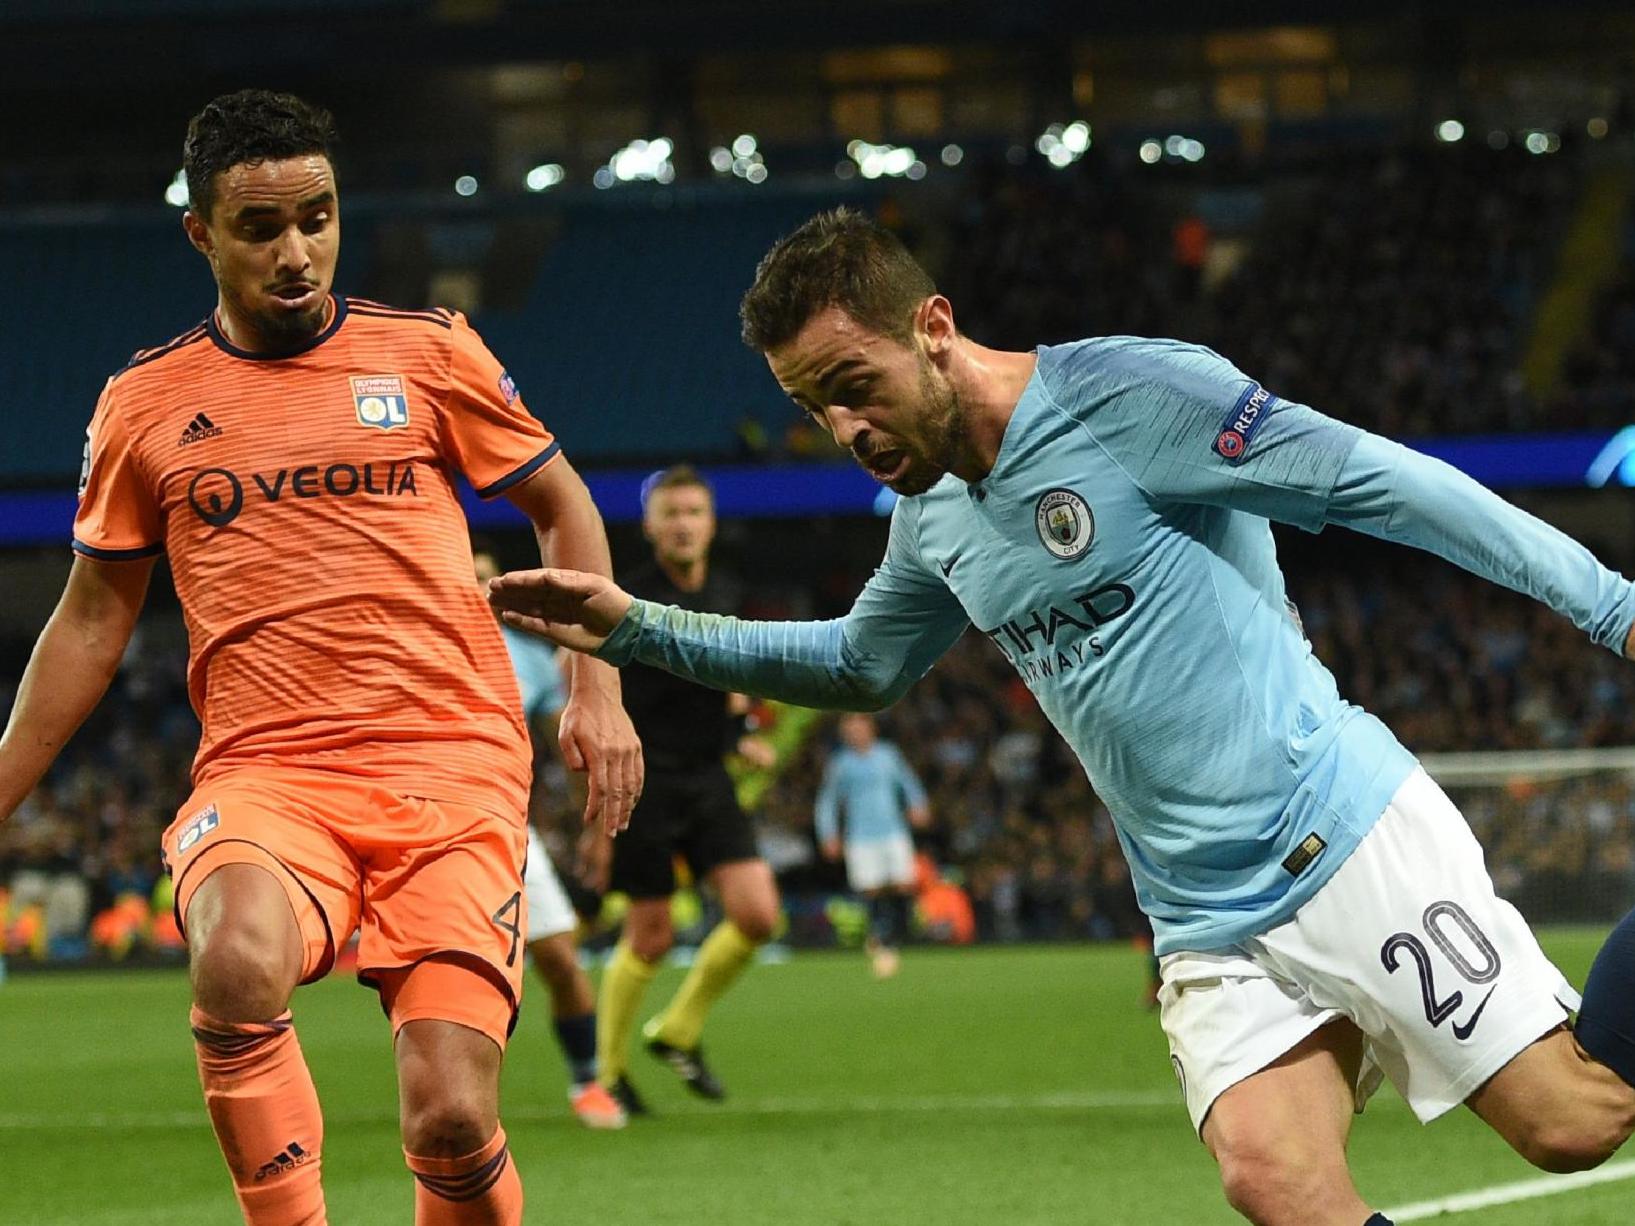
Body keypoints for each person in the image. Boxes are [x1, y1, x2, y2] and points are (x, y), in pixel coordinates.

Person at [489, 206, 1635, 1226]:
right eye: (812, 407)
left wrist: (1616, 609)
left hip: (1335, 832)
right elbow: (858, 664)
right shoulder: (929, 516)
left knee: (1573, 1121)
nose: (846, 429)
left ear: (933, 324)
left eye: (854, 384)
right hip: (1199, 910)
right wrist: (637, 624)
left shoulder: (1128, 396)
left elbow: (1386, 484)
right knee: (1274, 1178)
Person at [0, 91, 642, 1226]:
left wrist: (598, 689)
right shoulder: (143, 406)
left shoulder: (431, 353)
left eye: (319, 217)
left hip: (452, 770)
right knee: (236, 959)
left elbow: (566, 507)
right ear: (201, 233)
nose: (297, 253)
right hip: (269, 773)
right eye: (261, 228)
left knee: (450, 1118)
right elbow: (93, 619)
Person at [582, 464, 780, 1116]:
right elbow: (592, 682)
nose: (683, 524)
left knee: (756, 914)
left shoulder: (725, 589)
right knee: (650, 934)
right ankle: (607, 1076)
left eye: (693, 511)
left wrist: (742, 731)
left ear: (711, 522)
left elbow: (723, 682)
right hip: (646, 780)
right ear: (650, 525)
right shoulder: (627, 597)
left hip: (707, 775)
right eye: (671, 513)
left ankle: (678, 1030)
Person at [472, 547, 626, 1130]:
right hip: (430, 826)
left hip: (511, 824)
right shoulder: (418, 644)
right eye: (464, 574)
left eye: (487, 576)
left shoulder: (528, 659)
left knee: (560, 959)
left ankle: (588, 1081)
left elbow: (565, 738)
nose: (476, 585)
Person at [814, 712, 929, 977]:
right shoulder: (841, 764)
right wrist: (828, 833)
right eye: (849, 730)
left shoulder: (888, 755)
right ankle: (880, 939)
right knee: (871, 889)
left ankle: (901, 936)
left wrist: (917, 804)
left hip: (892, 830)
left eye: (858, 728)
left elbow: (907, 782)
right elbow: (828, 801)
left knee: (902, 882)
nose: (854, 734)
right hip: (860, 835)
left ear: (871, 729)